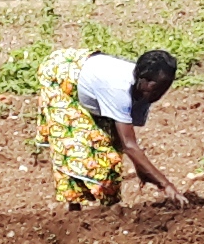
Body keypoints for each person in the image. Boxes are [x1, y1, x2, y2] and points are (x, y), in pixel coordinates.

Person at [34, 47, 192, 206]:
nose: (160, 93)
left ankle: (109, 209)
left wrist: (142, 168)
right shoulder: (119, 90)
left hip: (92, 76)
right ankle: (74, 210)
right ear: (142, 79)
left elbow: (123, 137)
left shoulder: (144, 91)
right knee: (75, 150)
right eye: (157, 87)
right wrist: (166, 185)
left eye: (165, 87)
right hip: (61, 76)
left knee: (110, 151)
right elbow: (129, 145)